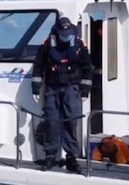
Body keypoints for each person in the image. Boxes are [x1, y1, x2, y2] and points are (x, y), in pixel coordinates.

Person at [32, 17, 93, 173]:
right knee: (52, 121)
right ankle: (50, 155)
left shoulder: (79, 45)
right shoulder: (47, 45)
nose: (66, 36)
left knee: (71, 121)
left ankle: (71, 157)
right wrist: (36, 87)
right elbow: (38, 66)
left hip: (71, 88)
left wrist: (85, 90)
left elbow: (87, 67)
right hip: (52, 88)